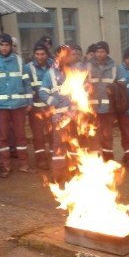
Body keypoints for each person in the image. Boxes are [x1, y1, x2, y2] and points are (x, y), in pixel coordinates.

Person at [0, 33, 35, 177]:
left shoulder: (19, 61)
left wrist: (29, 102)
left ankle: (24, 164)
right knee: (3, 137)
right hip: (1, 107)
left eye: (7, 45)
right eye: (2, 45)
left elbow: (26, 83)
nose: (5, 48)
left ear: (11, 46)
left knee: (21, 136)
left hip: (19, 105)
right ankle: (5, 166)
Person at [39, 45, 79, 182]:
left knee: (73, 143)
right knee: (58, 145)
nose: (65, 58)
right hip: (58, 116)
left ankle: (74, 170)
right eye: (62, 55)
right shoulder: (50, 74)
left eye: (68, 55)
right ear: (57, 56)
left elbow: (81, 92)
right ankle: (58, 173)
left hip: (73, 115)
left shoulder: (75, 72)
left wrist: (76, 109)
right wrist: (53, 100)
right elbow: (42, 92)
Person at [24, 41, 53, 170]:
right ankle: (41, 159)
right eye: (37, 54)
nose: (40, 57)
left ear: (47, 54)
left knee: (53, 133)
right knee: (38, 135)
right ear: (34, 54)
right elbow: (26, 86)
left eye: (42, 54)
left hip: (51, 107)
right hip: (36, 108)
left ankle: (54, 157)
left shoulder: (53, 65)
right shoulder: (28, 67)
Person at [86, 41, 117, 160]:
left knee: (107, 134)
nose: (99, 54)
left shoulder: (113, 66)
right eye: (97, 51)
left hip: (108, 107)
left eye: (102, 51)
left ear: (107, 52)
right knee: (93, 133)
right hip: (91, 107)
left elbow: (118, 85)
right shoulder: (88, 66)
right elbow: (83, 83)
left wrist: (113, 91)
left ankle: (108, 157)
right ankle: (95, 157)